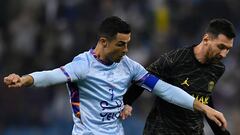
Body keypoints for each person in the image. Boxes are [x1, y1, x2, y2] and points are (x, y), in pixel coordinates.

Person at [4, 16, 227, 135]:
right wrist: (25, 80)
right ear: (103, 42)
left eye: (128, 44)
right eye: (121, 44)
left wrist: (204, 108)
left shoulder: (129, 66)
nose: (126, 50)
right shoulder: (83, 66)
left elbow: (165, 89)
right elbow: (51, 76)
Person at [122, 18, 235, 135]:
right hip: (162, 131)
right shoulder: (175, 59)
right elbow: (144, 79)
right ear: (206, 39)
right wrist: (128, 101)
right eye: (221, 47)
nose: (224, 54)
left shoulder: (218, 68)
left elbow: (205, 97)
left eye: (228, 49)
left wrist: (220, 132)